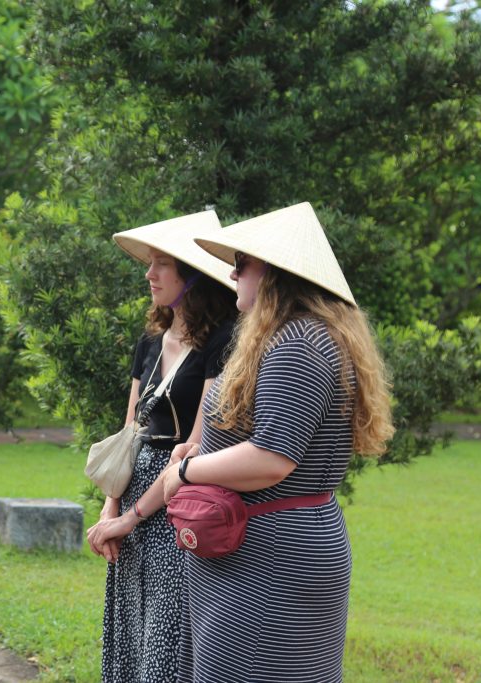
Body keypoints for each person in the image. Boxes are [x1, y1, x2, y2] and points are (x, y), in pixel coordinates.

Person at [159, 202, 394, 682]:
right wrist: (202, 450)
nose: (232, 272)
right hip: (254, 549)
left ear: (274, 272)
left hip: (271, 557)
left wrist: (185, 471)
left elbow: (271, 458)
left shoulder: (300, 343)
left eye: (242, 262)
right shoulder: (292, 336)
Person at [85, 211, 237, 683]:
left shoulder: (222, 342)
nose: (149, 274)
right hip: (133, 496)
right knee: (130, 632)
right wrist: (111, 509)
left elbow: (197, 444)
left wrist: (131, 517)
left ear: (191, 274)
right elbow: (129, 432)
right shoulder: (150, 341)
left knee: (165, 639)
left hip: (177, 501)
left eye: (161, 264)